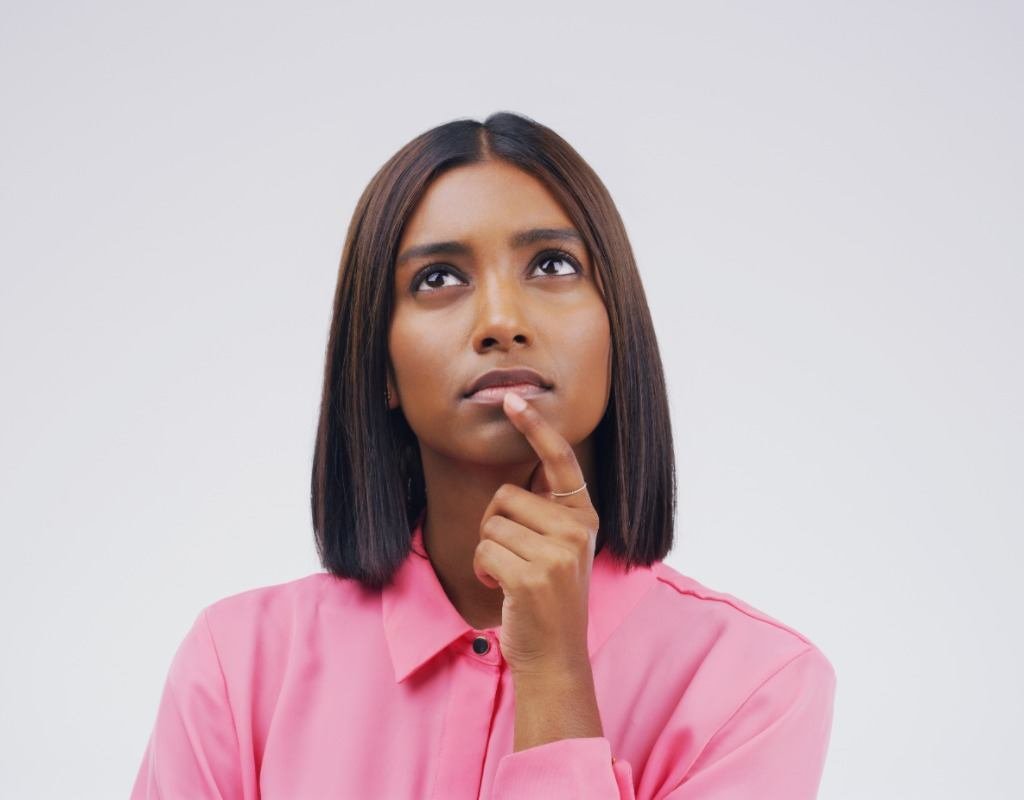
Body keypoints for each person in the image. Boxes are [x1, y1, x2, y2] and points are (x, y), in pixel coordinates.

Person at [130, 111, 836, 799]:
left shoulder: (759, 687)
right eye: (439, 278)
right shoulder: (237, 667)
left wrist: (556, 676)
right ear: (378, 365)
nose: (502, 321)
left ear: (617, 327)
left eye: (552, 264)